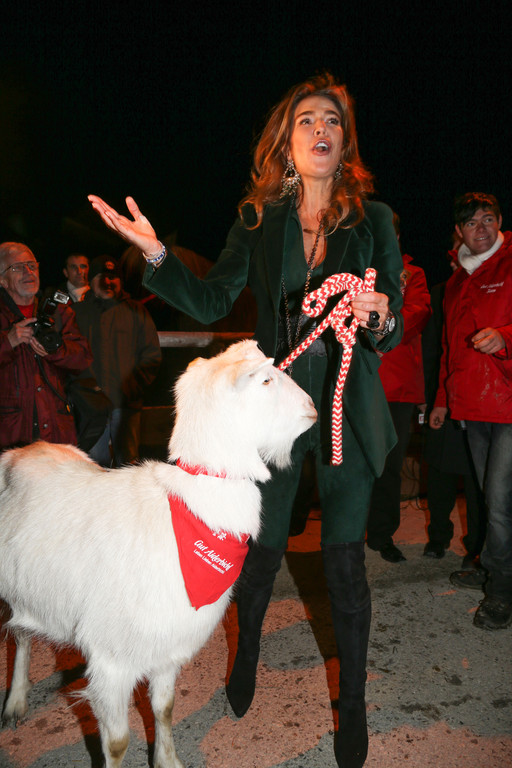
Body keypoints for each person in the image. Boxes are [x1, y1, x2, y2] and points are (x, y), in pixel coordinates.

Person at [89, 73, 403, 768]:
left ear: (345, 142)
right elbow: (209, 302)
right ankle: (248, 647)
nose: (321, 129)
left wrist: (380, 315)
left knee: (345, 564)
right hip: (272, 412)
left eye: (333, 121)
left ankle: (352, 709)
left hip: (348, 409)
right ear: (287, 143)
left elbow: (395, 323)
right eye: (307, 120)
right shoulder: (258, 221)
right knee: (260, 554)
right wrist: (156, 255)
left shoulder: (374, 220)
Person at [430, 192, 512, 630]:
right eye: (472, 222)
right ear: (459, 232)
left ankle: (501, 590)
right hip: (474, 405)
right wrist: (444, 400)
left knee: (499, 501)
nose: (482, 228)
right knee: (488, 497)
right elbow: (449, 347)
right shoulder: (457, 281)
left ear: (499, 222)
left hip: (509, 402)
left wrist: (505, 337)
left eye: (489, 219)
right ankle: (492, 563)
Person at [366, 214, 431, 562]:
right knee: (351, 462)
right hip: (357, 382)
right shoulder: (354, 273)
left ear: (398, 236)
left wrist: (383, 330)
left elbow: (419, 313)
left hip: (397, 387)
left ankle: (381, 534)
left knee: (390, 466)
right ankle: (347, 532)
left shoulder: (413, 274)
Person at [421, 246, 486, 564]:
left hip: (482, 398)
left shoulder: (491, 290)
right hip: (443, 396)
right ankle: (438, 537)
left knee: (478, 478)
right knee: (440, 472)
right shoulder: (440, 293)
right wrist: (430, 399)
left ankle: (476, 544)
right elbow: (431, 350)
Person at [0, 241, 92, 451]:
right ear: (2, 280)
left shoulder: (58, 311)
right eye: (17, 267)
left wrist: (56, 351)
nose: (28, 272)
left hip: (55, 432)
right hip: (10, 437)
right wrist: (8, 342)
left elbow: (83, 358)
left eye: (32, 265)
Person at [73, 255, 161, 467]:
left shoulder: (136, 311)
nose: (108, 282)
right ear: (91, 281)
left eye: (113, 277)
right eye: (101, 277)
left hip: (126, 405)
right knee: (93, 465)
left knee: (128, 465)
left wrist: (130, 388)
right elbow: (68, 358)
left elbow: (151, 355)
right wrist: (82, 392)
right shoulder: (78, 313)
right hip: (90, 407)